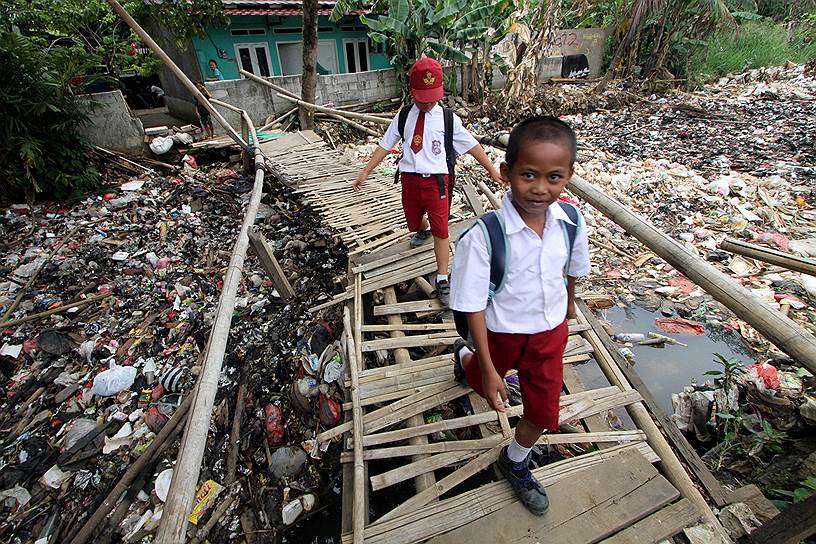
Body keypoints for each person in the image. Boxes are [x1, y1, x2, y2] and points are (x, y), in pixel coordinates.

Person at [449, 116, 590, 515]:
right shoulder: (484, 236)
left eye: (554, 177)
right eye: (529, 175)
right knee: (483, 381)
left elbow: (573, 269)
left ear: (568, 177)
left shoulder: (572, 222)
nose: (540, 188)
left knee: (544, 412)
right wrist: (491, 367)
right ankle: (465, 359)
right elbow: (473, 304)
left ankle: (514, 460)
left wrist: (568, 304)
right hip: (501, 335)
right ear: (507, 173)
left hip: (549, 336)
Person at [352, 57, 503, 307]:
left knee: (442, 230)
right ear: (412, 93)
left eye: (432, 97)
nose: (428, 102)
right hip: (410, 180)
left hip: (437, 182)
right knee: (413, 224)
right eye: (422, 98)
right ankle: (423, 229)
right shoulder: (403, 117)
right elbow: (384, 145)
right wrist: (365, 171)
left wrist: (492, 170)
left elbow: (472, 146)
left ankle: (443, 278)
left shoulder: (447, 119)